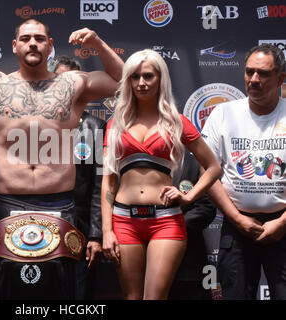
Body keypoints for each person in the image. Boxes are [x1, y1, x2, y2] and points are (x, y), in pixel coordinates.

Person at [0, 18, 123, 299]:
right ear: (14, 46)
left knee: (59, 293)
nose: (32, 43)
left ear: (50, 46)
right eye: (26, 38)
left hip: (60, 203)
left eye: (39, 38)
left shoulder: (72, 85)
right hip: (8, 203)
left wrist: (98, 45)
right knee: (8, 291)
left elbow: (124, 82)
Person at [101, 49, 221, 300]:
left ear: (160, 79)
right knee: (132, 297)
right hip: (124, 220)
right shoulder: (115, 123)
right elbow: (108, 181)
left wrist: (189, 197)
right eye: (135, 77)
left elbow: (213, 167)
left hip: (166, 220)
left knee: (155, 297)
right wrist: (106, 231)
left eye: (148, 76)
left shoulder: (177, 122)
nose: (141, 83)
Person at [201, 44, 286, 300]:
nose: (254, 79)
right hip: (236, 226)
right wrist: (237, 219)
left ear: (281, 78)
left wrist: (282, 223)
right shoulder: (223, 113)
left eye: (263, 73)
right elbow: (208, 171)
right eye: (249, 72)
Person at [48, 55, 105, 299]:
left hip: (80, 224)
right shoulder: (33, 123)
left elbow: (99, 184)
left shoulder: (94, 127)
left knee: (79, 293)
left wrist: (95, 234)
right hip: (43, 218)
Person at [168, 149, 216, 300]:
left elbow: (206, 206)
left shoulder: (194, 162)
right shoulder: (138, 163)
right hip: (146, 265)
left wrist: (171, 227)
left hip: (188, 264)